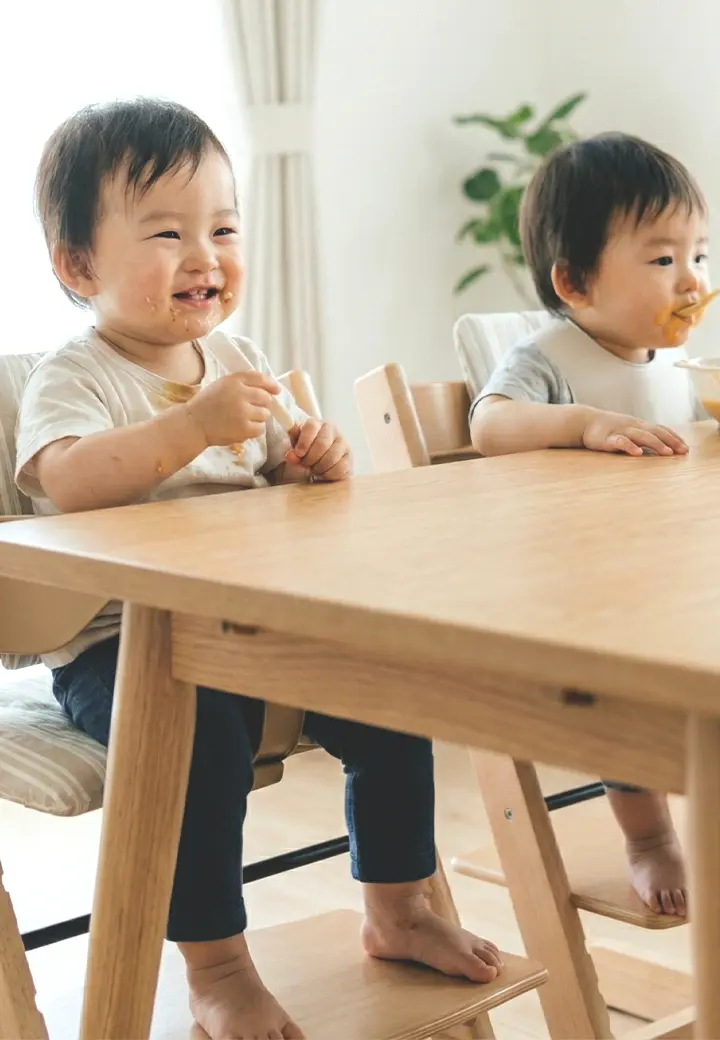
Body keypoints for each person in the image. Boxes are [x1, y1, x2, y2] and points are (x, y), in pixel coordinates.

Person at [17, 99, 503, 1040]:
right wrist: (190, 426)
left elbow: (270, 491)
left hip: (256, 628)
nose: (206, 255)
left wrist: (303, 466)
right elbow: (69, 483)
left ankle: (398, 908)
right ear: (79, 264)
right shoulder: (71, 378)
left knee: (395, 695)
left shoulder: (237, 358)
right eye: (167, 232)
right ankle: (219, 965)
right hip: (125, 645)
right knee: (203, 741)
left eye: (224, 229)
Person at [468, 132, 710, 919]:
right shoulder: (549, 356)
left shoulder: (675, 367)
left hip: (672, 580)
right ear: (574, 281)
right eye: (663, 259)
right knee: (625, 703)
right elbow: (490, 425)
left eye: (699, 255)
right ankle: (646, 836)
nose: (693, 279)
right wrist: (581, 424)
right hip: (584, 596)